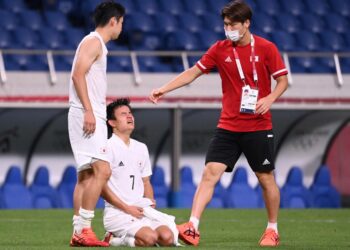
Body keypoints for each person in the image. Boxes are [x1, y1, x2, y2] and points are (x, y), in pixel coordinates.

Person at [149, 0, 288, 247]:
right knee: (209, 173)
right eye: (225, 24)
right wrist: (164, 89)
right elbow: (193, 72)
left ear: (246, 23)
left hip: (258, 126)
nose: (228, 28)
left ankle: (272, 229)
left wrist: (270, 98)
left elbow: (283, 81)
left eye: (233, 24)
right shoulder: (220, 49)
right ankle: (192, 226)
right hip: (228, 126)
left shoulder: (267, 48)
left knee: (266, 178)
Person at [68, 1, 125, 247]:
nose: (122, 27)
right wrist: (90, 111)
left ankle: (78, 231)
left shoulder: (92, 42)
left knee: (86, 175)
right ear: (113, 21)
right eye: (121, 22)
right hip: (86, 113)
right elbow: (77, 74)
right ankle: (85, 228)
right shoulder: (93, 42)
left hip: (83, 112)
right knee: (103, 171)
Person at [102, 98, 179, 247]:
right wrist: (128, 209)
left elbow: (146, 182)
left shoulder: (141, 147)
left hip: (140, 209)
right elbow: (101, 188)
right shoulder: (106, 147)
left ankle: (130, 236)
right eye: (123, 114)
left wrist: (149, 204)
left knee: (167, 238)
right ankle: (113, 239)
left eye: (130, 113)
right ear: (112, 122)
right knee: (149, 239)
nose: (130, 116)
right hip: (117, 212)